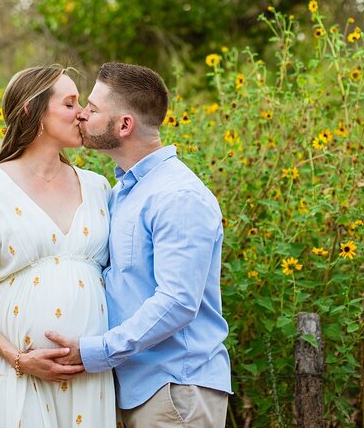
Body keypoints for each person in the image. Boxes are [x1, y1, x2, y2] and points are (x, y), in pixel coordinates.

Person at [45, 62, 232, 427]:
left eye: (94, 109)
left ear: (125, 125)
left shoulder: (178, 195)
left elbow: (177, 302)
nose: (82, 114)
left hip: (176, 388)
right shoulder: (121, 193)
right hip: (135, 389)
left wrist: (97, 351)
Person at [0, 65, 116, 427]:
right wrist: (18, 358)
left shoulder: (99, 187)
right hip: (17, 372)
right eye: (70, 103)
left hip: (89, 377)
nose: (82, 112)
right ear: (30, 111)